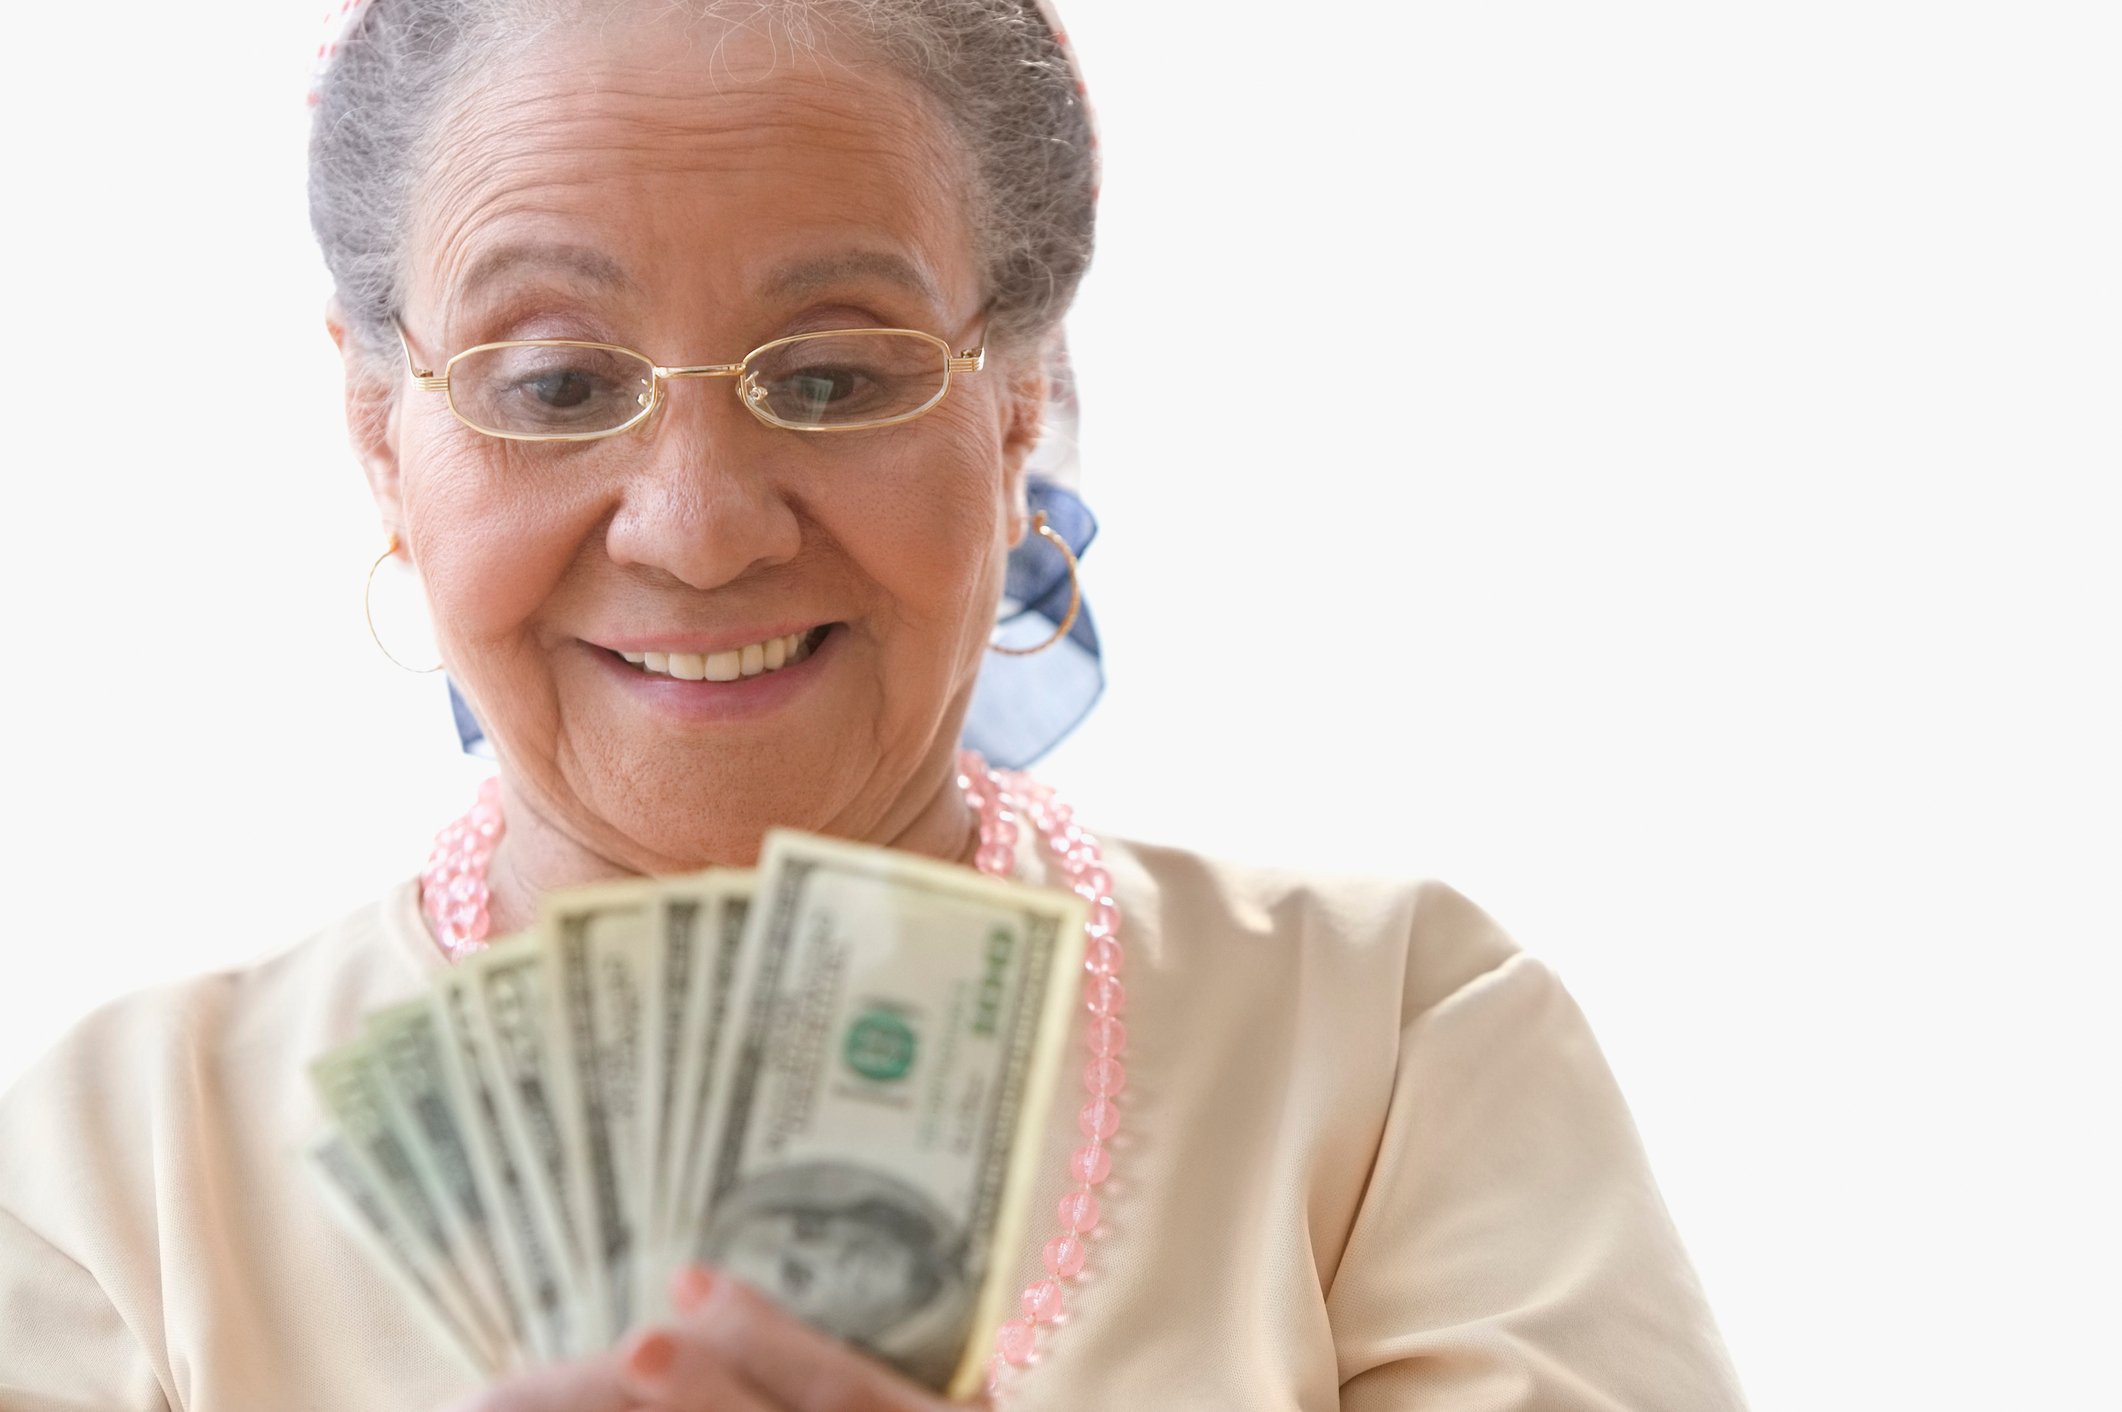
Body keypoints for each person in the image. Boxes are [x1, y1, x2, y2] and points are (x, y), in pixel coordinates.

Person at [0, 1, 1747, 1408]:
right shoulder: (113, 1176)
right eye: (557, 381)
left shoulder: (1390, 1046)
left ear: (1015, 408)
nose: (692, 528)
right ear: (382, 436)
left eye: (833, 373)